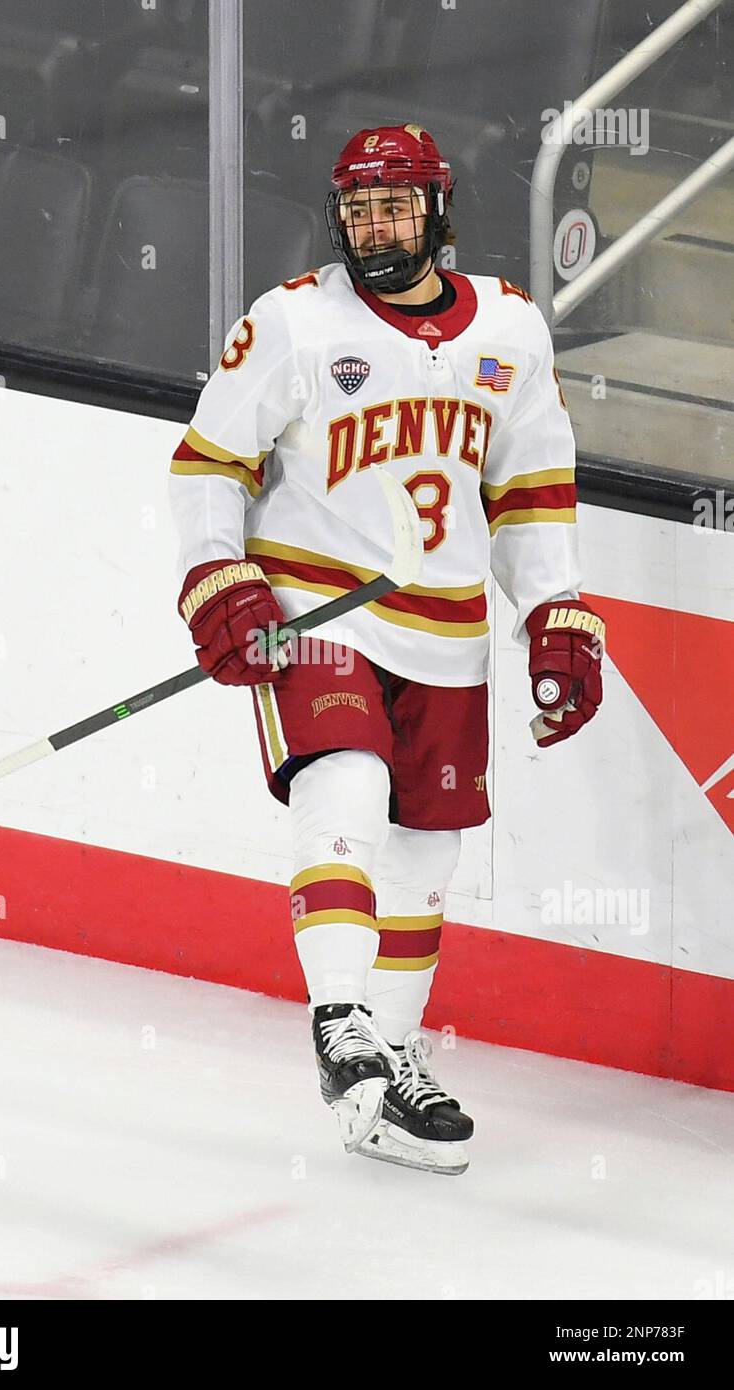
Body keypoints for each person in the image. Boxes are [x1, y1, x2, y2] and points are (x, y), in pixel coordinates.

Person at [168, 124, 604, 1174]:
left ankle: (393, 1067)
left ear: (439, 213)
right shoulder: (291, 323)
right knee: (350, 782)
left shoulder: (510, 329)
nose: (376, 228)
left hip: (448, 632)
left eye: (396, 207)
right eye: (359, 209)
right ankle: (342, 1023)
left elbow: (530, 488)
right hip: (316, 614)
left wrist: (555, 608)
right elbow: (207, 461)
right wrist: (218, 575)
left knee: (426, 854)